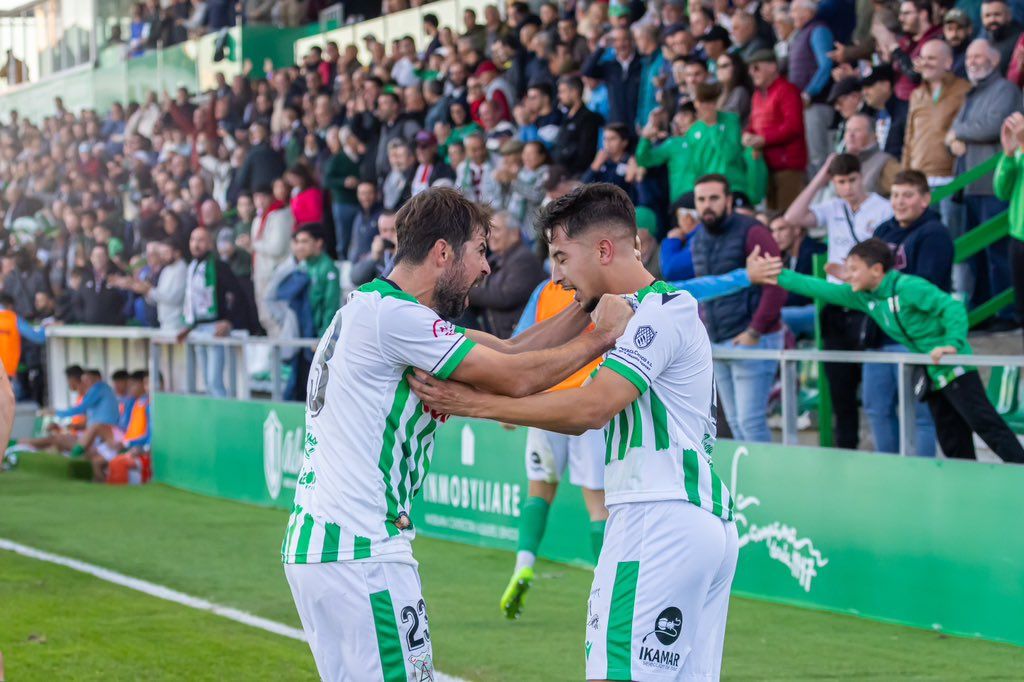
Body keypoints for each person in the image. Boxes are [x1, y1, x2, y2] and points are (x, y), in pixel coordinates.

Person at [282, 187, 635, 682]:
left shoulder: (377, 310)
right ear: (442, 252)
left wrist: (586, 303)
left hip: (324, 546)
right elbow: (517, 378)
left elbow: (511, 352)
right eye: (479, 252)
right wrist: (604, 336)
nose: (487, 268)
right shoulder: (395, 318)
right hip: (362, 551)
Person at [409, 183, 739, 681]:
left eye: (562, 257)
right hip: (689, 518)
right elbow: (512, 350)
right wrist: (417, 330)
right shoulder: (626, 310)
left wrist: (476, 404)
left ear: (604, 249)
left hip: (660, 516)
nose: (557, 275)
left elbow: (595, 406)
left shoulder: (661, 312)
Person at [754, 238, 1024, 464]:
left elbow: (950, 307)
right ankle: (970, 490)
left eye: (855, 269)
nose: (849, 276)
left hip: (954, 367)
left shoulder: (907, 287)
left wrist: (952, 342)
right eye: (848, 269)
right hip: (932, 371)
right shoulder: (864, 297)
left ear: (877, 270)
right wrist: (778, 275)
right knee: (952, 439)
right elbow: (820, 288)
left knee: (986, 425)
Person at [784, 153, 893, 449]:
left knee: (873, 390)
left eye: (852, 180)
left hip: (867, 302)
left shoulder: (883, 208)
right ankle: (846, 452)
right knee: (839, 388)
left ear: (861, 177)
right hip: (835, 303)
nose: (847, 187)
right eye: (840, 182)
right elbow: (792, 218)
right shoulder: (832, 207)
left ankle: (880, 451)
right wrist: (821, 177)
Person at [691, 174, 785, 443]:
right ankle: (748, 484)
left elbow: (776, 285)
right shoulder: (698, 240)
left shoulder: (753, 231)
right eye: (701, 199)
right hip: (719, 340)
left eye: (714, 198)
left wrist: (755, 330)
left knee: (750, 422)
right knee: (735, 424)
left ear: (728, 200)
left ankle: (767, 484)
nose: (707, 205)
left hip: (753, 339)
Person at [949, 38, 1022, 327]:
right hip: (972, 184)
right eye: (969, 57)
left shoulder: (1006, 89)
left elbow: (991, 126)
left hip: (994, 182)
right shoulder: (973, 92)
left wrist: (958, 133)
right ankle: (982, 311)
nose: (973, 62)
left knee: (998, 255)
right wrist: (958, 133)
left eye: (979, 56)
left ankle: (1004, 315)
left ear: (994, 60)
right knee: (975, 257)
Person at [178, 226, 252, 398]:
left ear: (210, 244)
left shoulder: (219, 267)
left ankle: (224, 416)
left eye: (201, 240)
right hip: (197, 329)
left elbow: (237, 295)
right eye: (193, 240)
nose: (196, 244)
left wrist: (229, 320)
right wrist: (188, 325)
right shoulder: (192, 267)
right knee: (205, 381)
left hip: (214, 328)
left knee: (214, 380)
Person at [744, 50, 807, 210]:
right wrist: (747, 135)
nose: (752, 73)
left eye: (756, 67)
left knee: (787, 220)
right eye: (750, 69)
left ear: (772, 67)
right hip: (766, 167)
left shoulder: (787, 90)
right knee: (772, 218)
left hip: (788, 166)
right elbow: (753, 124)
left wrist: (763, 139)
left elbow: (793, 127)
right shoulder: (757, 95)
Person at [467, 211, 546, 339]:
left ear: (514, 233)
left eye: (496, 230)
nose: (490, 236)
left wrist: (465, 290)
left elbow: (503, 296)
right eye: (489, 231)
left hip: (516, 338)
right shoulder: (496, 259)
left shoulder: (524, 259)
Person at [788, 0, 836, 174]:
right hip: (804, 105)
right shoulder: (801, 33)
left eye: (794, 11)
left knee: (819, 156)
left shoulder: (818, 30)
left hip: (816, 104)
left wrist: (809, 92)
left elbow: (826, 64)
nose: (791, 15)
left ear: (807, 12)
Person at [768, 214, 826, 340]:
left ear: (797, 230)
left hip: (821, 312)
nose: (775, 236)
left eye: (781, 229)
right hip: (802, 310)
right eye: (772, 231)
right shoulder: (787, 257)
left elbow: (801, 296)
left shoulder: (813, 252)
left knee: (771, 318)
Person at [351, 210, 398, 287]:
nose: (389, 235)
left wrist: (399, 253)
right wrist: (373, 257)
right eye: (384, 230)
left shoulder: (406, 254)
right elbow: (355, 278)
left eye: (393, 230)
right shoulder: (378, 251)